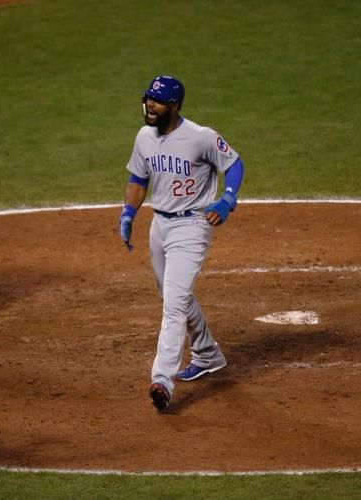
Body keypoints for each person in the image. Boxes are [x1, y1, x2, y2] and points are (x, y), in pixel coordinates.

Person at [120, 75, 244, 411]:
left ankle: (162, 379)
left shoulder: (201, 137)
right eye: (148, 98)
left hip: (192, 225)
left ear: (174, 105)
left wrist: (227, 199)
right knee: (171, 294)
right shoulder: (144, 137)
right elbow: (137, 178)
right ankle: (207, 354)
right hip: (159, 225)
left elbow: (233, 163)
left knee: (173, 304)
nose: (149, 105)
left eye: (157, 101)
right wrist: (128, 212)